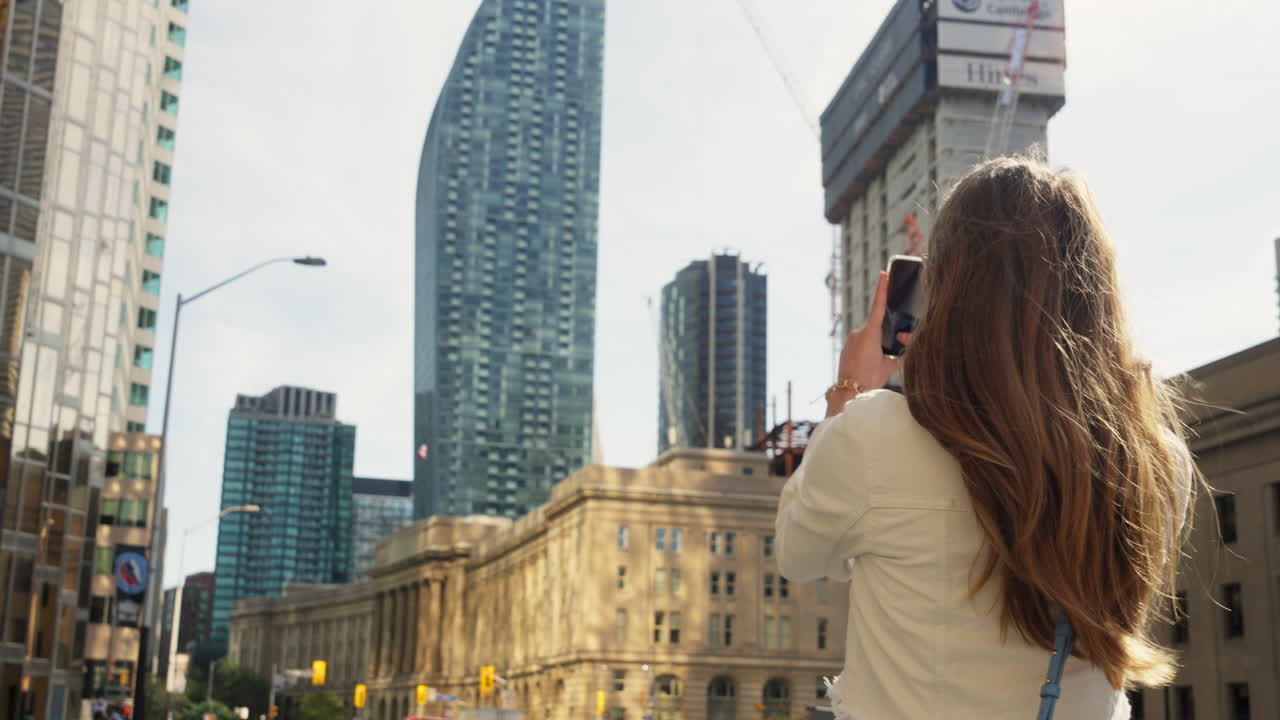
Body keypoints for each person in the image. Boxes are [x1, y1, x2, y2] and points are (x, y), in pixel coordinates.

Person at [776, 156, 1196, 720]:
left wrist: (848, 392)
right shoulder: (1155, 462)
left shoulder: (873, 437)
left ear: (947, 290)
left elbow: (798, 553)